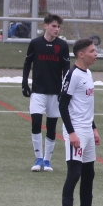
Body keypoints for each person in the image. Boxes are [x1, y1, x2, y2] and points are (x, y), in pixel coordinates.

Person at [58, 38, 103, 206]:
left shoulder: (89, 73)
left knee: (88, 174)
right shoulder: (73, 75)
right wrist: (71, 133)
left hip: (87, 131)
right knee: (74, 174)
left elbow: (86, 106)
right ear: (81, 54)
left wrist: (94, 128)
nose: (96, 54)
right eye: (92, 51)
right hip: (75, 130)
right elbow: (62, 105)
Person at [22, 14, 71, 172]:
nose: (56, 29)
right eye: (54, 26)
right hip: (38, 91)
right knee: (36, 122)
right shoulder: (35, 43)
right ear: (46, 26)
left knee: (51, 126)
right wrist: (24, 82)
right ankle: (38, 158)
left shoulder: (62, 46)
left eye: (58, 27)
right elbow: (27, 63)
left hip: (55, 92)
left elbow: (66, 70)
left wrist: (65, 90)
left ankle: (47, 161)